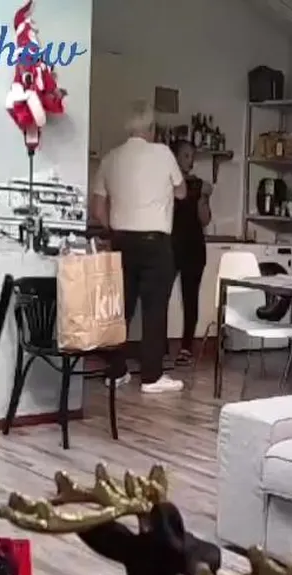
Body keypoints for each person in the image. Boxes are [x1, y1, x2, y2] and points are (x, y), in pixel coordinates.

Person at [90, 101, 186, 394]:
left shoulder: (110, 158)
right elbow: (182, 192)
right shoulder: (163, 153)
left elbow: (98, 208)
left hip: (121, 241)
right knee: (154, 311)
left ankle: (116, 372)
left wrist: (114, 229)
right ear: (152, 128)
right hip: (155, 243)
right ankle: (152, 377)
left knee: (120, 310)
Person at [169, 140, 212, 365]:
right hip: (170, 246)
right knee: (160, 298)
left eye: (192, 156)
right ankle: (159, 347)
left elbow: (205, 219)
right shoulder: (166, 183)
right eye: (186, 155)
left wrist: (204, 199)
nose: (190, 160)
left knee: (190, 297)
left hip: (194, 247)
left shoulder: (199, 185)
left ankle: (186, 347)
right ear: (174, 157)